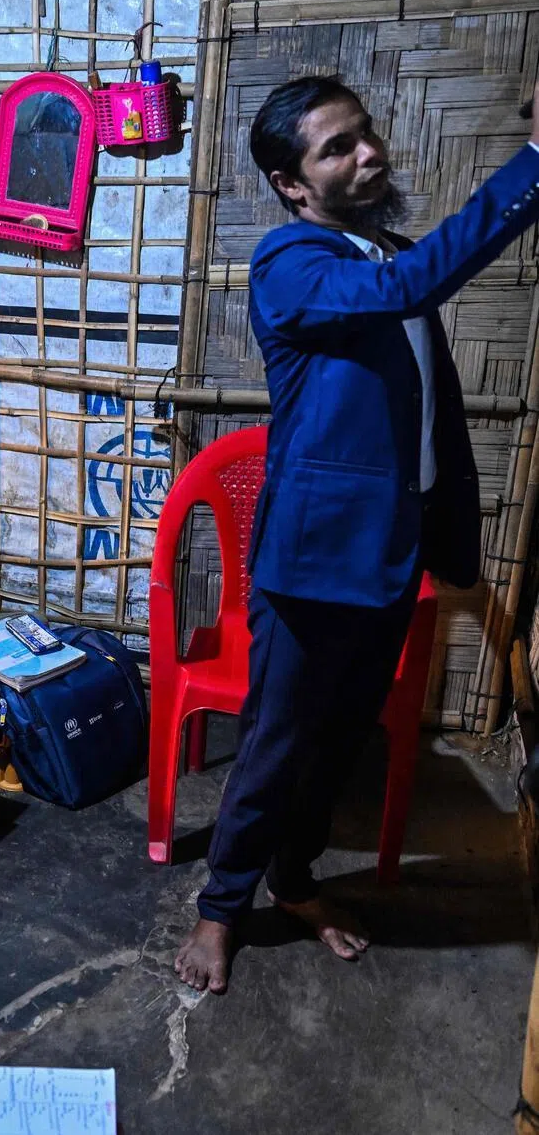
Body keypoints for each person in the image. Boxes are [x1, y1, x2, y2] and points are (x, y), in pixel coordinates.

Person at [174, 76, 539, 996]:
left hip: (388, 551)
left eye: (364, 135)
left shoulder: (389, 254)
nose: (368, 152)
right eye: (336, 148)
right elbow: (411, 285)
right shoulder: (290, 262)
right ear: (292, 183)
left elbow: (426, 408)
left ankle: (291, 883)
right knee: (277, 742)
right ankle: (221, 910)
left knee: (340, 744)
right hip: (313, 561)